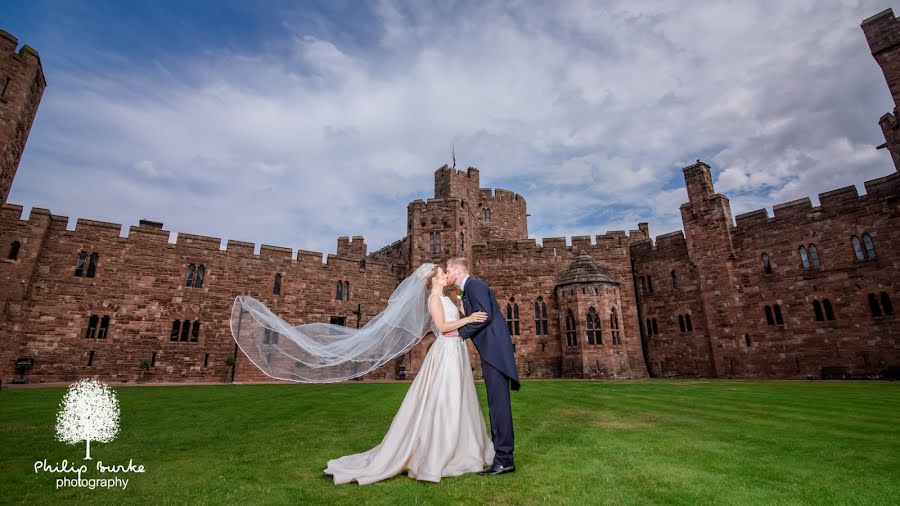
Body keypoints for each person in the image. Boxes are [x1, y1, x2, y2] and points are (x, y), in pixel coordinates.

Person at [323, 266, 494, 484]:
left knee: (460, 397)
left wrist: (462, 308)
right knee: (444, 398)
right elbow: (442, 327)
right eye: (441, 273)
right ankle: (437, 451)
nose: (445, 276)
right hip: (446, 351)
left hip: (456, 350)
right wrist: (468, 319)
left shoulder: (446, 298)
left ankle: (463, 445)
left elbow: (454, 323)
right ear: (434, 280)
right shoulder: (433, 299)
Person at [445, 257, 520, 475]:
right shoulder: (467, 291)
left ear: (458, 271)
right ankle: (502, 457)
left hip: (495, 354)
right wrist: (462, 308)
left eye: (448, 270)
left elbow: (484, 317)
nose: (447, 274)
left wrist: (459, 334)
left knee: (499, 407)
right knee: (496, 405)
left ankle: (505, 460)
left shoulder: (475, 285)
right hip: (491, 353)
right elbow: (477, 315)